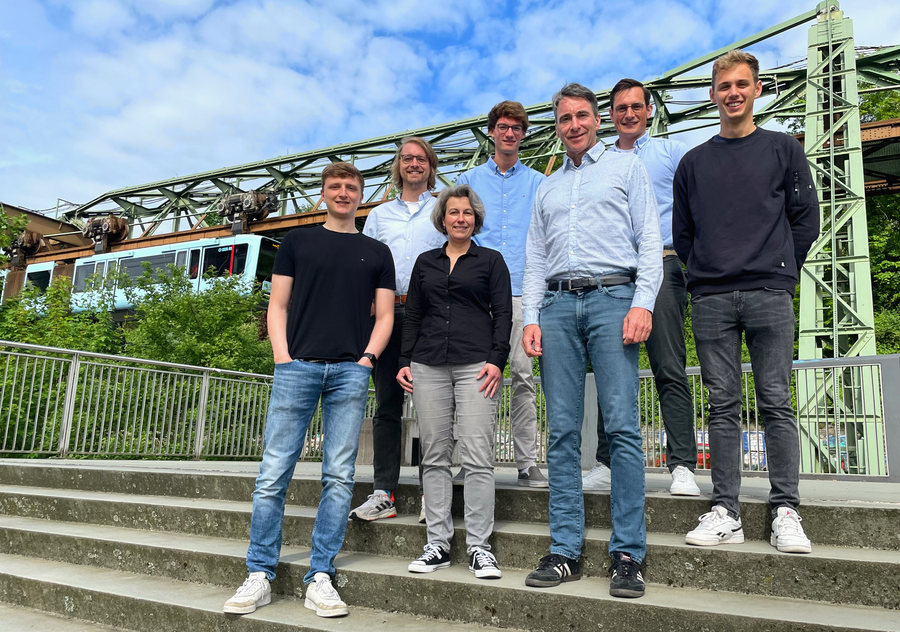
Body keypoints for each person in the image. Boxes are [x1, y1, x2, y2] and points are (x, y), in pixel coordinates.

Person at [223, 162, 395, 618]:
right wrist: (283, 357)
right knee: (272, 474)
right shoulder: (297, 242)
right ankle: (260, 572)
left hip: (349, 372)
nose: (343, 192)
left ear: (362, 195)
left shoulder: (377, 252)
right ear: (323, 194)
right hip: (296, 368)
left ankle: (320, 574)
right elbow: (277, 304)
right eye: (335, 186)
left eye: (351, 187)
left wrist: (366, 362)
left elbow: (385, 316)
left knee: (339, 476)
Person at [672, 49, 819, 553]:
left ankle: (786, 509)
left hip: (768, 293)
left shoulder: (783, 149)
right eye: (723, 86)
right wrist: (707, 274)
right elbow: (683, 235)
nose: (732, 93)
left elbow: (806, 219)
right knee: (722, 406)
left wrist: (780, 270)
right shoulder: (692, 163)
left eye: (741, 84)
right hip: (711, 297)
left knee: (776, 402)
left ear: (757, 89)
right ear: (713, 95)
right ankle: (726, 509)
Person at [521, 83, 662, 598]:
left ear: (597, 121)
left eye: (582, 116)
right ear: (557, 126)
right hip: (557, 306)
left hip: (612, 299)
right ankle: (565, 551)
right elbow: (535, 256)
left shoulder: (627, 169)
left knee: (623, 427)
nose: (574, 125)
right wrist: (531, 316)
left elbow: (649, 240)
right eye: (565, 119)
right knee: (560, 431)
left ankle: (627, 553)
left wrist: (643, 302)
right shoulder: (548, 186)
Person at [583, 79, 698, 496]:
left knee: (668, 365)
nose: (628, 114)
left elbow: (701, 202)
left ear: (649, 110)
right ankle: (608, 463)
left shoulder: (672, 153)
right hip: (615, 275)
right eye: (620, 108)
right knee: (614, 371)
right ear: (609, 116)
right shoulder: (597, 161)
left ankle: (682, 464)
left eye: (636, 106)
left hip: (664, 265)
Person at [397, 184, 512, 579]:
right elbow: (412, 314)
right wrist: (404, 360)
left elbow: (503, 315)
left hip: (476, 365)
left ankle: (480, 546)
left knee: (478, 455)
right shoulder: (426, 262)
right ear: (442, 219)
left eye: (467, 212)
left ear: (475, 218)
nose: (460, 218)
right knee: (434, 454)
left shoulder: (492, 261)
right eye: (453, 212)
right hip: (427, 363)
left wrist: (498, 361)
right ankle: (438, 543)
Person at [350, 137, 446, 523]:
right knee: (387, 406)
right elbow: (365, 265)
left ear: (430, 166)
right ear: (398, 166)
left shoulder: (442, 210)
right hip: (389, 315)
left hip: (430, 316)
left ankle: (431, 496)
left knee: (432, 409)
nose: (414, 164)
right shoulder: (378, 215)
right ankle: (383, 493)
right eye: (407, 158)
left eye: (421, 158)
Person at [457, 100, 548, 488]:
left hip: (524, 293)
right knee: (475, 381)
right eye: (502, 126)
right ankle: (472, 461)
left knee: (524, 379)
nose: (509, 133)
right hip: (479, 296)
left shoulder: (539, 183)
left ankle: (527, 462)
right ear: (491, 131)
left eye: (516, 127)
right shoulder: (469, 180)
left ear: (523, 135)